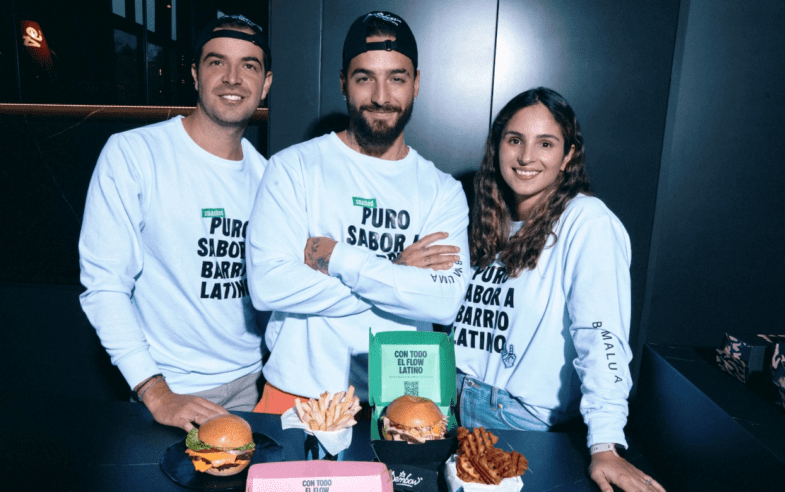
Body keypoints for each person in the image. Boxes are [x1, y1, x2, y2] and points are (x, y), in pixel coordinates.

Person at [247, 11, 469, 414]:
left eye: (397, 78)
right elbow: (268, 286)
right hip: (297, 394)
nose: (381, 96)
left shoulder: (442, 191)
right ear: (343, 83)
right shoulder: (293, 168)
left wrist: (340, 259)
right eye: (365, 78)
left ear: (416, 83)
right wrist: (396, 269)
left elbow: (442, 302)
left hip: (402, 403)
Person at [452, 87, 665, 492]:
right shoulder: (485, 219)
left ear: (568, 156)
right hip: (456, 409)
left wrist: (605, 444)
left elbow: (601, 336)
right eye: (514, 140)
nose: (527, 157)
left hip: (522, 422)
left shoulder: (586, 221)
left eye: (545, 143)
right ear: (497, 147)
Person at [78, 14, 273, 432]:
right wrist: (154, 391)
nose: (233, 79)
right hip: (169, 390)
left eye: (249, 66)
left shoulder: (270, 179)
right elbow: (104, 284)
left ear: (266, 83)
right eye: (217, 63)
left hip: (253, 388)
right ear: (195, 75)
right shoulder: (134, 154)